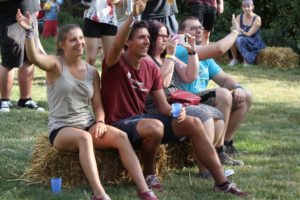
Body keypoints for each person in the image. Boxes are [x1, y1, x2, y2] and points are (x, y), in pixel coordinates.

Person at [100, 0, 249, 197]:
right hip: (118, 124)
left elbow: (162, 106)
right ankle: (149, 174)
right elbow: (116, 43)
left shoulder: (151, 67)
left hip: (141, 120)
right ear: (128, 42)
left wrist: (177, 111)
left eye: (147, 38)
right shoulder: (115, 62)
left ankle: (221, 182)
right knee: (154, 126)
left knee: (194, 122)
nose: (146, 41)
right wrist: (132, 18)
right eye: (141, 38)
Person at [16, 10, 158, 200]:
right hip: (62, 129)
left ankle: (144, 191)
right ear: (62, 45)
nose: (80, 43)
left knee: (122, 136)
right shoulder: (55, 65)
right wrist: (29, 33)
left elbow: (98, 105)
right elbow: (35, 58)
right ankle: (100, 194)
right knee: (84, 138)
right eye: (73, 40)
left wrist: (100, 121)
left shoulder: (92, 72)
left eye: (81, 38)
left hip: (88, 124)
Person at [145, 20, 243, 172]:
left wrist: (192, 52)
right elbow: (162, 83)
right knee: (205, 115)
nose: (166, 39)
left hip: (177, 101)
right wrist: (170, 54)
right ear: (150, 38)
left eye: (167, 35)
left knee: (217, 116)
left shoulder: (169, 57)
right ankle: (206, 170)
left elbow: (190, 76)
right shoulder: (148, 60)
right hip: (159, 106)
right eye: (162, 36)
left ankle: (212, 161)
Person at [176, 16, 253, 158]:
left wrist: (238, 87)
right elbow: (219, 49)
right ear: (181, 32)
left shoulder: (205, 58)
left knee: (246, 95)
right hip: (186, 103)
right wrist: (235, 32)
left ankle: (226, 144)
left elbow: (224, 79)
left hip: (200, 100)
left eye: (200, 27)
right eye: (193, 28)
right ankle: (218, 152)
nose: (198, 31)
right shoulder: (181, 49)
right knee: (223, 94)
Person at [0, 0, 44, 113]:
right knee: (9, 61)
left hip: (30, 16)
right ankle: (4, 100)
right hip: (11, 18)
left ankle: (25, 99)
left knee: (29, 58)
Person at [229, 0, 266, 66]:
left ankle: (247, 61)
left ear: (252, 7)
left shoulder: (257, 18)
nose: (246, 8)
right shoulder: (239, 17)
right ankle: (235, 59)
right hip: (241, 37)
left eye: (248, 6)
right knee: (231, 37)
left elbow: (249, 34)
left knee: (240, 39)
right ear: (242, 8)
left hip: (253, 40)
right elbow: (234, 30)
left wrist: (238, 29)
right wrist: (233, 28)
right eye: (244, 7)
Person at [82, 0, 119, 66]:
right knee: (91, 59)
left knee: (109, 60)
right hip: (92, 17)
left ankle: (107, 76)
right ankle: (87, 76)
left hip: (110, 19)